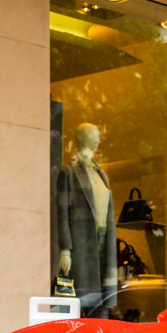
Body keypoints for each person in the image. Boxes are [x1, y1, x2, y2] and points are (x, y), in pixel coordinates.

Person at [56, 123, 117, 317]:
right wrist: (65, 249)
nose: (99, 139)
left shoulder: (101, 174)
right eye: (95, 135)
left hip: (103, 241)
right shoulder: (69, 172)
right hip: (82, 244)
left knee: (102, 299)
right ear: (84, 138)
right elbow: (62, 211)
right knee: (79, 297)